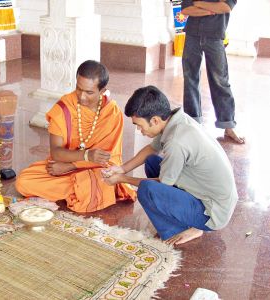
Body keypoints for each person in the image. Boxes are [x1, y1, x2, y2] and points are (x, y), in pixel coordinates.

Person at [102, 86, 238, 245]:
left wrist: (121, 178)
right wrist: (122, 168)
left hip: (212, 212)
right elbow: (152, 148)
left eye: (139, 125)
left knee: (147, 190)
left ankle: (180, 229)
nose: (139, 130)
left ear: (154, 120)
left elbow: (161, 183)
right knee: (151, 161)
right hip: (211, 195)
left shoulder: (176, 142)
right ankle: (186, 219)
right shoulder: (175, 119)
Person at [15, 60, 136, 212]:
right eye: (79, 89)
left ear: (103, 90)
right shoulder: (64, 108)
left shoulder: (112, 113)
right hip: (68, 164)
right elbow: (57, 153)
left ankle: (83, 190)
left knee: (106, 178)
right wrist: (85, 156)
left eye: (89, 92)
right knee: (23, 181)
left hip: (95, 169)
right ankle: (82, 190)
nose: (82, 97)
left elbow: (107, 159)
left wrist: (69, 166)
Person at [181, 0, 245, 144]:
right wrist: (213, 10)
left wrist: (198, 3)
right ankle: (193, 122)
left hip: (215, 36)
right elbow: (186, 10)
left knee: (220, 80)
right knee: (190, 78)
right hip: (192, 35)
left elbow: (226, 7)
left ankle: (228, 125)